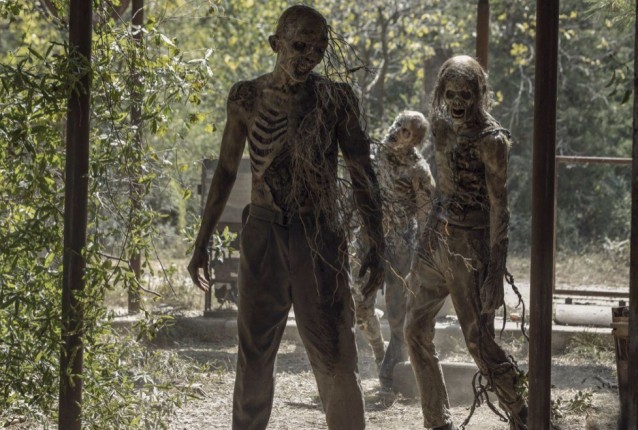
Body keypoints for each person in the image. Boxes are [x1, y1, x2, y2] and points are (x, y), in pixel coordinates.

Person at [187, 5, 385, 430]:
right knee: (254, 355)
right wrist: (202, 241)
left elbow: (362, 172)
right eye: (299, 46)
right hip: (263, 232)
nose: (309, 56)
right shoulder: (246, 97)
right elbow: (226, 171)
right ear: (275, 44)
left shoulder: (335, 99)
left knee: (336, 354)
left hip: (318, 237)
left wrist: (377, 242)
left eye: (319, 48)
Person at [404, 55, 527, 430]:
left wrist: (494, 272)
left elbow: (499, 207)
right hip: (437, 240)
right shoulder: (441, 128)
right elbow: (441, 192)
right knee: (414, 329)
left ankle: (524, 413)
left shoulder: (492, 140)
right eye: (451, 94)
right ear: (442, 93)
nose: (457, 102)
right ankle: (436, 420)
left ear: (480, 93)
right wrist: (422, 248)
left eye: (466, 94)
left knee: (478, 341)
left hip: (470, 248)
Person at [352, 111, 435, 392]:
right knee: (359, 305)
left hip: (401, 246)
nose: (396, 130)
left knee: (398, 316)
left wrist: (420, 263)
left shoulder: (418, 170)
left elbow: (425, 216)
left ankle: (391, 373)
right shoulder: (373, 154)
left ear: (414, 142)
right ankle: (379, 353)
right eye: (397, 123)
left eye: (405, 131)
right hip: (368, 240)